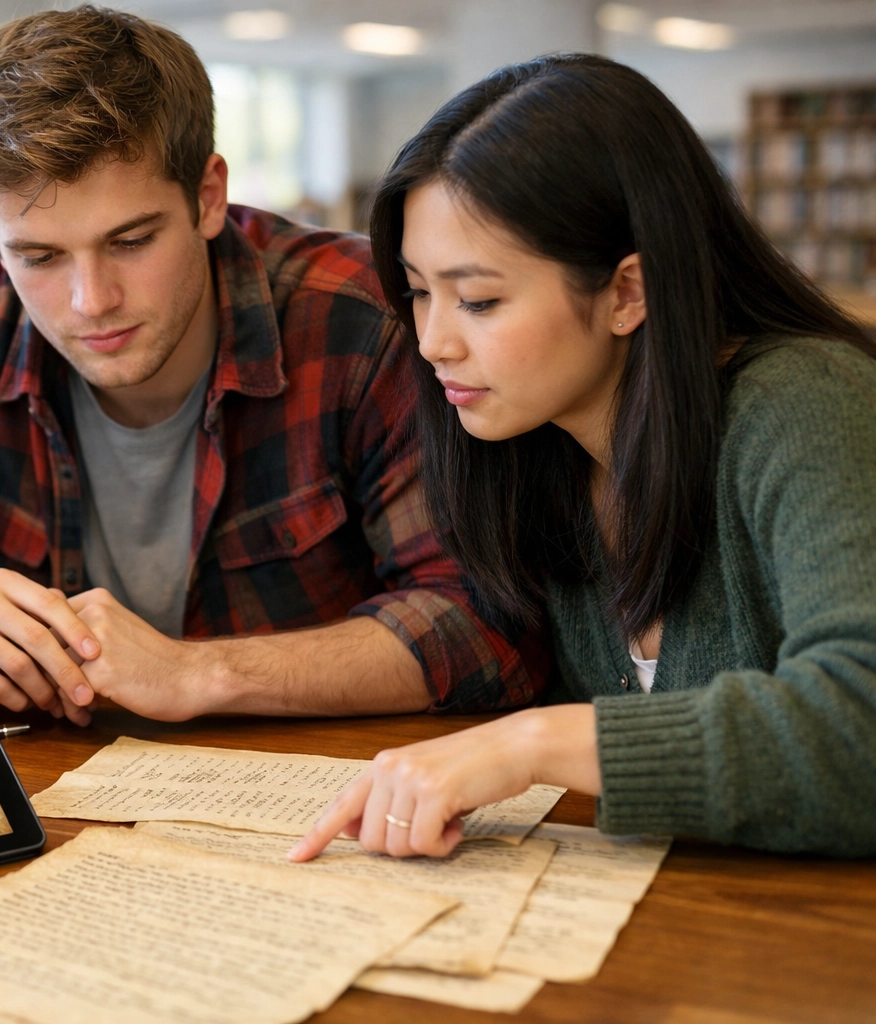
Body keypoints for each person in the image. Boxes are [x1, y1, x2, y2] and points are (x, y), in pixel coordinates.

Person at [0, 5, 546, 726]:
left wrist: (204, 673)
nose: (91, 300)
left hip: (334, 804)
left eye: (131, 241)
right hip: (67, 800)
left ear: (208, 197)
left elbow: (491, 623)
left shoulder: (364, 319)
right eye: (38, 256)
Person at [291, 54, 876, 863]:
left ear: (628, 292)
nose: (432, 342)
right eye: (418, 291)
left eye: (481, 300)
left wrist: (531, 743)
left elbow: (861, 727)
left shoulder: (805, 401)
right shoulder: (538, 453)